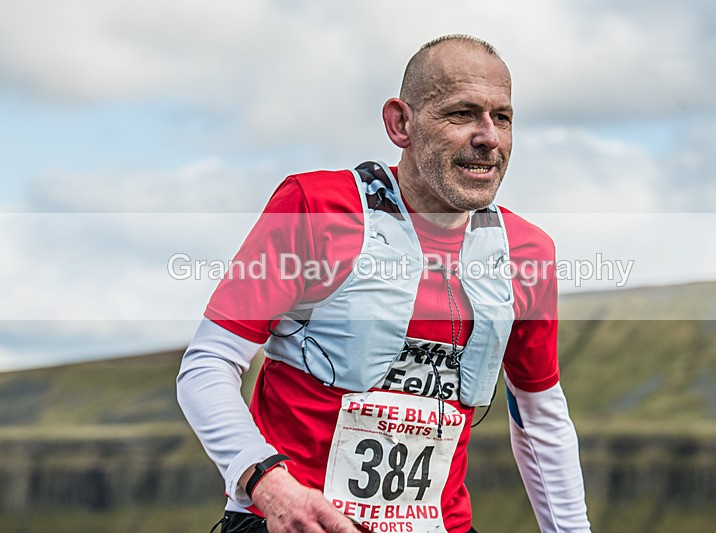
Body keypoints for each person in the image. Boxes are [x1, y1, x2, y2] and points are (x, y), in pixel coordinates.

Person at [177, 34, 591, 533]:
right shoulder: (313, 206)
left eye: (501, 117)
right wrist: (269, 485)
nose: (489, 137)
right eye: (462, 114)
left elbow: (540, 417)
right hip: (291, 522)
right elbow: (207, 365)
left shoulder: (528, 252)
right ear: (401, 123)